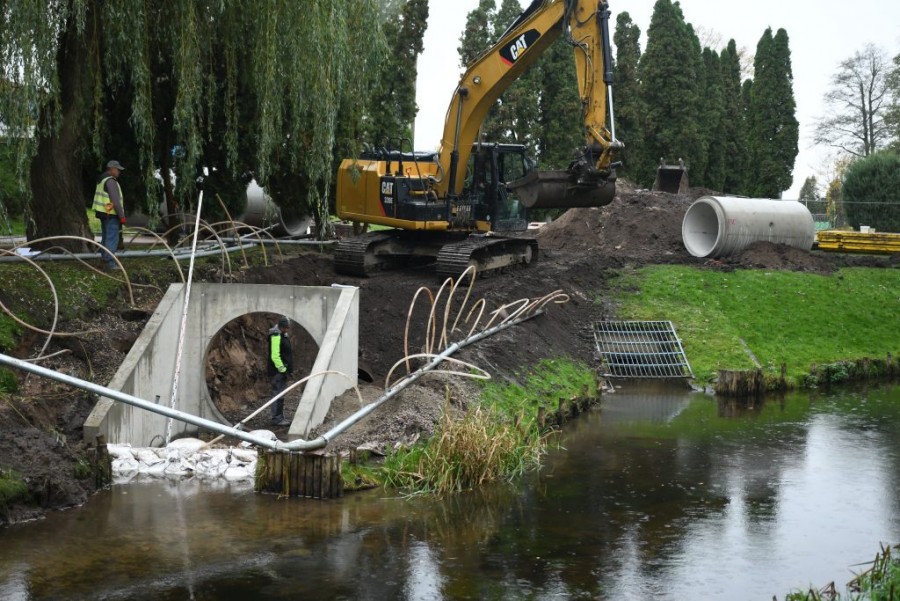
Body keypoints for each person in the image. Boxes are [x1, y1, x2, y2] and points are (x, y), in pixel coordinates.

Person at [92, 160, 126, 270]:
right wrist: (121, 216)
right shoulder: (110, 181)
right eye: (117, 169)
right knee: (112, 238)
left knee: (106, 237)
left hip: (103, 213)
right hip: (111, 214)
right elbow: (115, 201)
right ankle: (110, 263)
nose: (119, 172)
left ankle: (105, 260)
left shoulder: (102, 179)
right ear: (111, 169)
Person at [266, 316, 294, 427]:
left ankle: (280, 417)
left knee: (280, 394)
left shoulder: (282, 335)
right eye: (286, 328)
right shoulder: (276, 336)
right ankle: (276, 419)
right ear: (282, 327)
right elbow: (275, 355)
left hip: (282, 370)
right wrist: (282, 369)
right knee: (277, 394)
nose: (287, 330)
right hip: (278, 371)